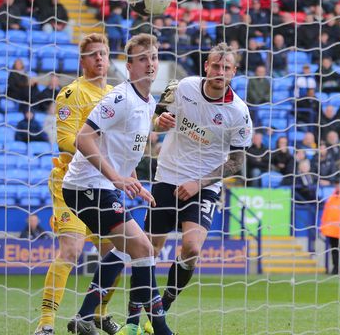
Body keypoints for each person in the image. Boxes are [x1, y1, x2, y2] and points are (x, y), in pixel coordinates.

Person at [62, 34, 174, 335]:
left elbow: (123, 149)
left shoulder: (148, 101)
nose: (149, 63)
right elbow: (83, 138)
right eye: (142, 59)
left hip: (102, 186)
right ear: (129, 67)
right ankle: (159, 328)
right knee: (142, 247)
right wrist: (116, 179)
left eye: (153, 57)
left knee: (129, 249)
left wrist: (134, 181)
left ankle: (85, 316)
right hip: (85, 185)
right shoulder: (120, 98)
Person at [147, 43, 253, 314]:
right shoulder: (183, 87)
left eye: (226, 68)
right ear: (206, 66)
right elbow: (156, 117)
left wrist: (199, 183)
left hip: (204, 184)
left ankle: (163, 305)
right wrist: (160, 124)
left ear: (234, 72)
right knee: (149, 249)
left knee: (192, 248)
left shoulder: (239, 112)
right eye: (215, 66)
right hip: (167, 175)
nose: (220, 72)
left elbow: (237, 162)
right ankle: (136, 311)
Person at [34, 34, 121, 335]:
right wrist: (100, 154)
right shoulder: (72, 94)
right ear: (82, 61)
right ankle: (46, 325)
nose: (99, 58)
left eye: (104, 54)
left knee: (117, 251)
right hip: (70, 184)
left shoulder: (115, 95)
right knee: (70, 250)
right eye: (93, 54)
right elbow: (64, 140)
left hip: (102, 184)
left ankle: (97, 314)